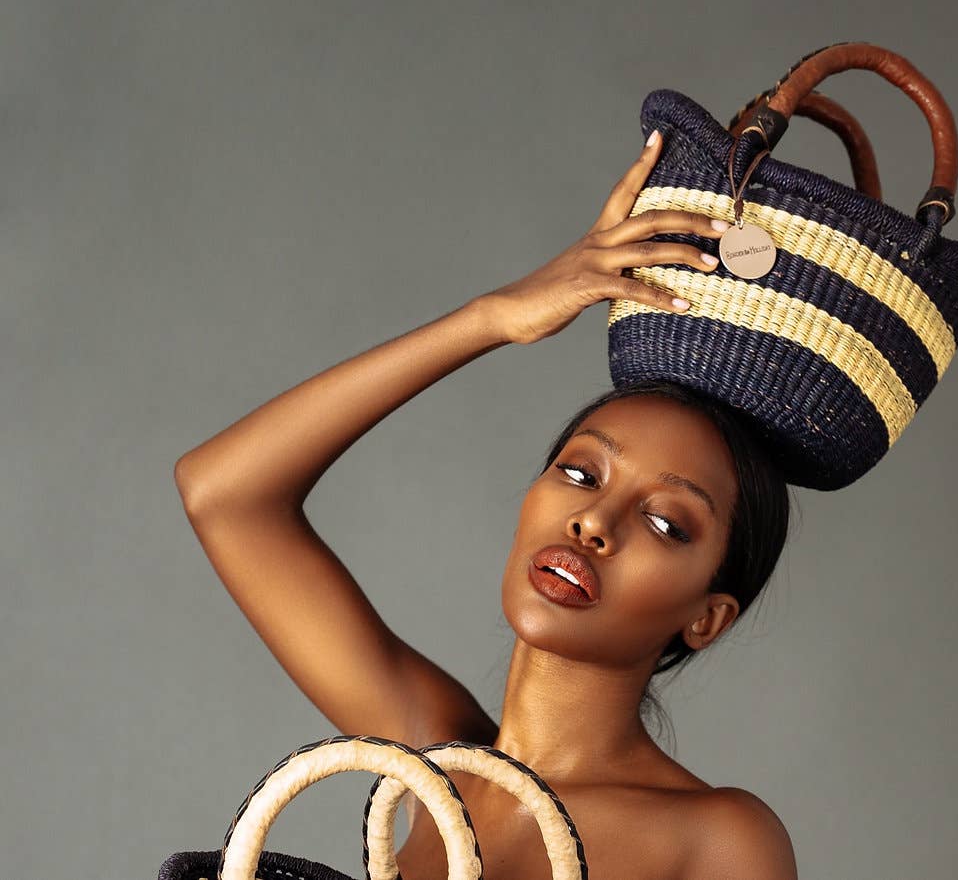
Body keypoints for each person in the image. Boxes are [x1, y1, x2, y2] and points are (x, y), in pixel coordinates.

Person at [174, 129, 799, 879]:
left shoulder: (719, 838)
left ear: (707, 617)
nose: (594, 523)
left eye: (665, 522)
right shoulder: (431, 757)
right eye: (581, 473)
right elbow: (224, 495)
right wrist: (493, 317)